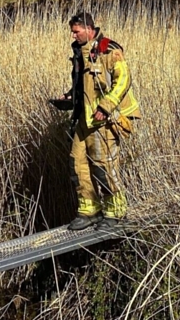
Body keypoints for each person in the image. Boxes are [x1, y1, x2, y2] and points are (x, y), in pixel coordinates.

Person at [51, 12, 141, 231]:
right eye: (72, 31)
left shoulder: (109, 50)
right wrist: (70, 96)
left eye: (76, 31)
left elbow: (123, 81)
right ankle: (88, 211)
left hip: (107, 121)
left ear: (89, 29)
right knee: (77, 162)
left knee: (104, 167)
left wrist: (106, 106)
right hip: (85, 118)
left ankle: (115, 212)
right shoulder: (80, 52)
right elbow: (85, 84)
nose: (73, 35)